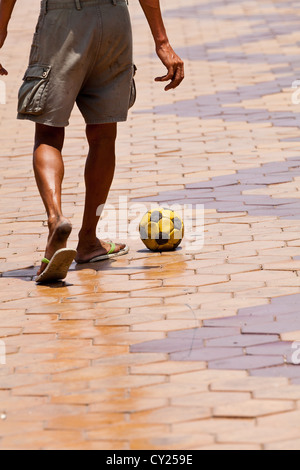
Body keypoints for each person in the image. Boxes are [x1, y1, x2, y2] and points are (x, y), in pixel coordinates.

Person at [0, 0, 184, 283]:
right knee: (103, 136)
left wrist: (1, 31)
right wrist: (162, 42)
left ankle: (56, 219)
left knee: (48, 133)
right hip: (114, 20)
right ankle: (88, 240)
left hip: (63, 22)